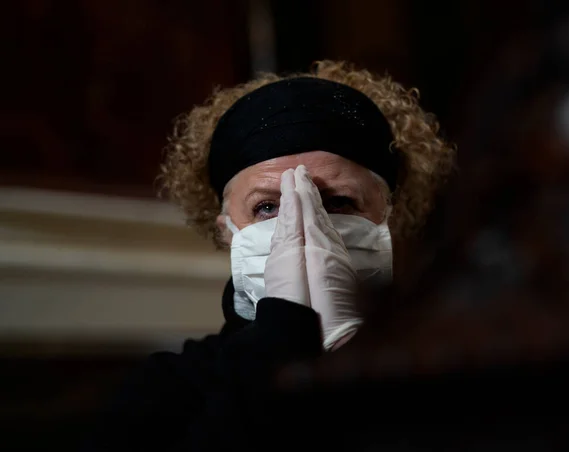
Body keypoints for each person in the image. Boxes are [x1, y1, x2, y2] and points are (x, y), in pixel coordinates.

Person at [82, 60, 454, 451]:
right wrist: (279, 338)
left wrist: (357, 358)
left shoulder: (456, 371)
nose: (303, 224)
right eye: (266, 207)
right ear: (228, 231)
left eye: (339, 202)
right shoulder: (166, 388)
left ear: (390, 219)